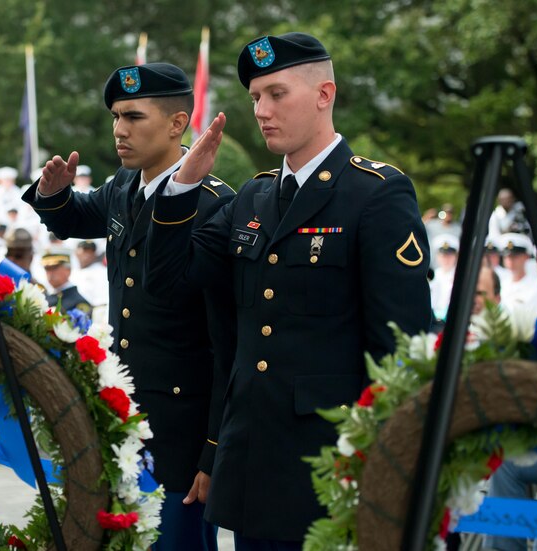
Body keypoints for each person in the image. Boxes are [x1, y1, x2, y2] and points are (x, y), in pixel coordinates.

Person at [144, 32, 431, 548]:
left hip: (333, 463)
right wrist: (181, 188)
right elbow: (168, 281)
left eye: (277, 94)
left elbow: (400, 347)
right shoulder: (253, 196)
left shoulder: (375, 193)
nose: (261, 109)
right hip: (255, 460)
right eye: (255, 97)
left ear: (324, 95)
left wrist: (390, 467)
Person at [22, 62, 237, 550]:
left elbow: (228, 338)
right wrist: (53, 196)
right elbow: (79, 215)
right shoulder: (125, 184)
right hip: (128, 414)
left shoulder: (213, 204)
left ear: (177, 124)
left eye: (134, 117)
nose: (120, 129)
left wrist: (213, 448)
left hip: (183, 426)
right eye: (116, 116)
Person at [41, 248, 92, 314]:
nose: (50, 273)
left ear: (68, 270)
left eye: (54, 268)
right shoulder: (44, 296)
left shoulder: (79, 303)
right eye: (47, 269)